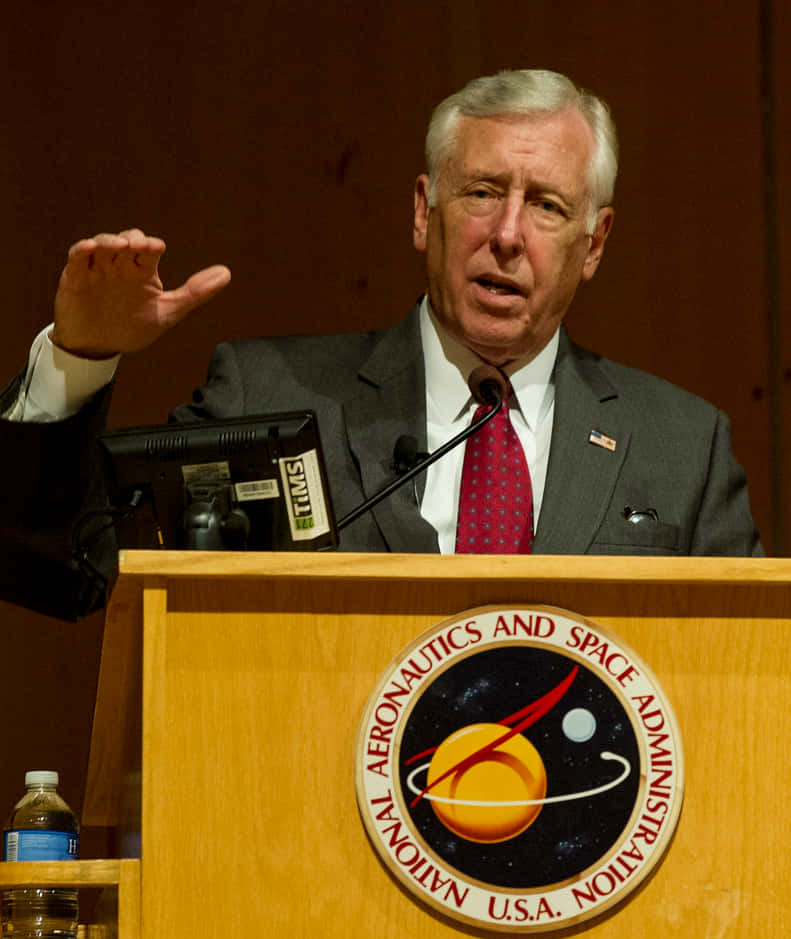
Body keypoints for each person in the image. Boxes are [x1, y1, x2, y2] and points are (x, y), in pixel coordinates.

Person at [0, 69, 762, 618]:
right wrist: (81, 358)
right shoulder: (269, 393)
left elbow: (745, 683)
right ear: (424, 213)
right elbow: (71, 572)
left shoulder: (679, 445)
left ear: (593, 244)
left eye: (547, 207)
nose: (505, 234)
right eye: (482, 192)